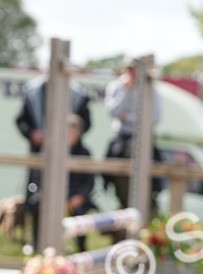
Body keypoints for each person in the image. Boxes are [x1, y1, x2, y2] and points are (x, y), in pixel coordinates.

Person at [25, 113, 97, 253]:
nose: (70, 135)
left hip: (74, 196)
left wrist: (79, 197)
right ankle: (37, 245)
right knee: (36, 204)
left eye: (73, 131)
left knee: (81, 212)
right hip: (50, 194)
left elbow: (89, 181)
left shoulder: (84, 152)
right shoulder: (50, 149)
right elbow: (38, 177)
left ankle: (81, 250)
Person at [103, 56, 164, 219]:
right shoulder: (117, 86)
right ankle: (111, 186)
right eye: (129, 69)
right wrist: (126, 90)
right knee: (111, 159)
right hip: (123, 136)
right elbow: (113, 111)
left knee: (158, 163)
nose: (132, 73)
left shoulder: (152, 88)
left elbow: (154, 117)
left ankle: (152, 195)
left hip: (144, 138)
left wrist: (128, 117)